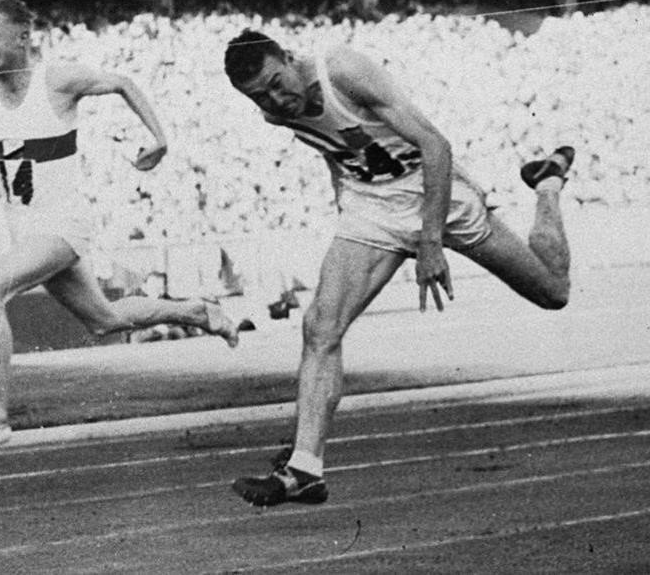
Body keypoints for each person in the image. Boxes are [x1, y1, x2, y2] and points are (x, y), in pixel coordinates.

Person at [222, 29, 573, 506]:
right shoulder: (273, 114)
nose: (276, 99)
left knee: (553, 292)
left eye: (277, 82)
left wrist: (430, 243)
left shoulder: (342, 71)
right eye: (259, 95)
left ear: (288, 56)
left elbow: (436, 145)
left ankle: (548, 184)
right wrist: (346, 205)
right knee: (320, 328)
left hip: (436, 193)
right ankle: (305, 468)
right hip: (374, 206)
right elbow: (334, 149)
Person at [0, 0, 240, 456]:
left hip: (64, 226)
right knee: (105, 320)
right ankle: (199, 313)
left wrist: (159, 141)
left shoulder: (56, 80)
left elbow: (122, 83)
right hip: (25, 229)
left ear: (22, 37)